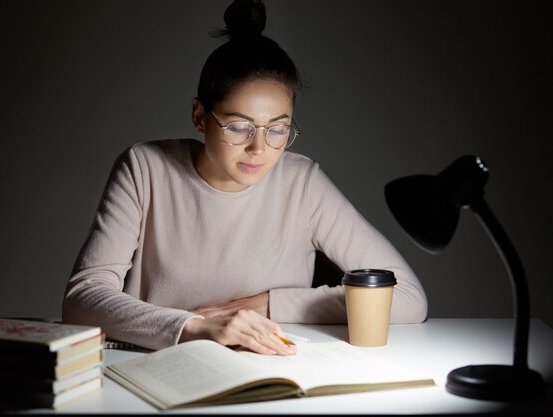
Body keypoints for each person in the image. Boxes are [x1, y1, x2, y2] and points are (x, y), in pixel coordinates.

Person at [62, 0, 427, 356]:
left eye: (279, 129)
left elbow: (407, 297)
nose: (259, 148)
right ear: (199, 116)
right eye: (239, 126)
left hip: (267, 369)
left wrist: (268, 305)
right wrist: (194, 327)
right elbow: (82, 299)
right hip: (160, 365)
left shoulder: (301, 182)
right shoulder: (145, 168)